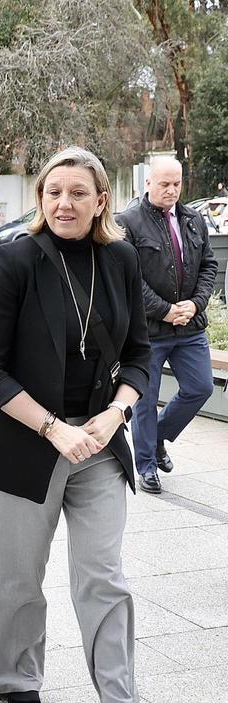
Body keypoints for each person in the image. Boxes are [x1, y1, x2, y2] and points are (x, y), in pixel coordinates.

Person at [0, 146, 169, 703]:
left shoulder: (122, 260)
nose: (64, 203)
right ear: (40, 199)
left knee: (104, 573)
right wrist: (55, 429)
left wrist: (114, 415)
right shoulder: (16, 262)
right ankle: (11, 676)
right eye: (54, 192)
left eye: (78, 192)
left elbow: (138, 355)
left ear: (101, 200)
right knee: (14, 574)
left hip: (101, 442)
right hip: (27, 439)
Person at [117, 155, 217, 493]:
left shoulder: (193, 219)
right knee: (144, 398)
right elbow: (129, 279)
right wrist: (165, 310)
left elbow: (208, 265)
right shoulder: (128, 222)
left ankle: (156, 437)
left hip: (189, 326)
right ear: (148, 182)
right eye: (164, 184)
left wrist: (195, 303)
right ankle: (145, 465)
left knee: (201, 387)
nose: (172, 190)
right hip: (150, 330)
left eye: (177, 184)